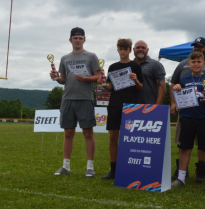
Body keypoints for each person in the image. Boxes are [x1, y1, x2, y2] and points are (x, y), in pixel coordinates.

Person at [170, 38, 205, 182]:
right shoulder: (184, 78)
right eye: (193, 62)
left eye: (198, 62)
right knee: (184, 147)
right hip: (187, 116)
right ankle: (181, 178)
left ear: (203, 63)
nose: (196, 64)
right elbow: (175, 86)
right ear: (189, 64)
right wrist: (176, 90)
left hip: (204, 117)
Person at [50, 27, 102, 177]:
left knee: (88, 133)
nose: (78, 40)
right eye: (75, 38)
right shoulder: (65, 58)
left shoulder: (91, 56)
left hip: (85, 98)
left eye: (80, 38)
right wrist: (56, 78)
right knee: (68, 133)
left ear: (84, 39)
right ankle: (65, 166)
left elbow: (98, 77)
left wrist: (85, 78)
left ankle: (90, 167)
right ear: (70, 40)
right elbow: (63, 79)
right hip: (67, 98)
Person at [101, 38, 144, 181]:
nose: (123, 51)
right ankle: (113, 170)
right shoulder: (112, 67)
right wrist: (102, 84)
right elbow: (110, 87)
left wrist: (136, 80)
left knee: (129, 139)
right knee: (113, 137)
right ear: (118, 50)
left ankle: (129, 168)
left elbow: (141, 88)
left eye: (126, 49)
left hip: (130, 106)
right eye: (121, 49)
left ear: (130, 50)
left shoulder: (135, 66)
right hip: (114, 104)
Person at [132, 41, 167, 106]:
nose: (140, 49)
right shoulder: (129, 65)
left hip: (150, 106)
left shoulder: (155, 64)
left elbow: (162, 86)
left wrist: (157, 106)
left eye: (143, 48)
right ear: (133, 49)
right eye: (138, 47)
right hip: (130, 107)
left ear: (147, 50)